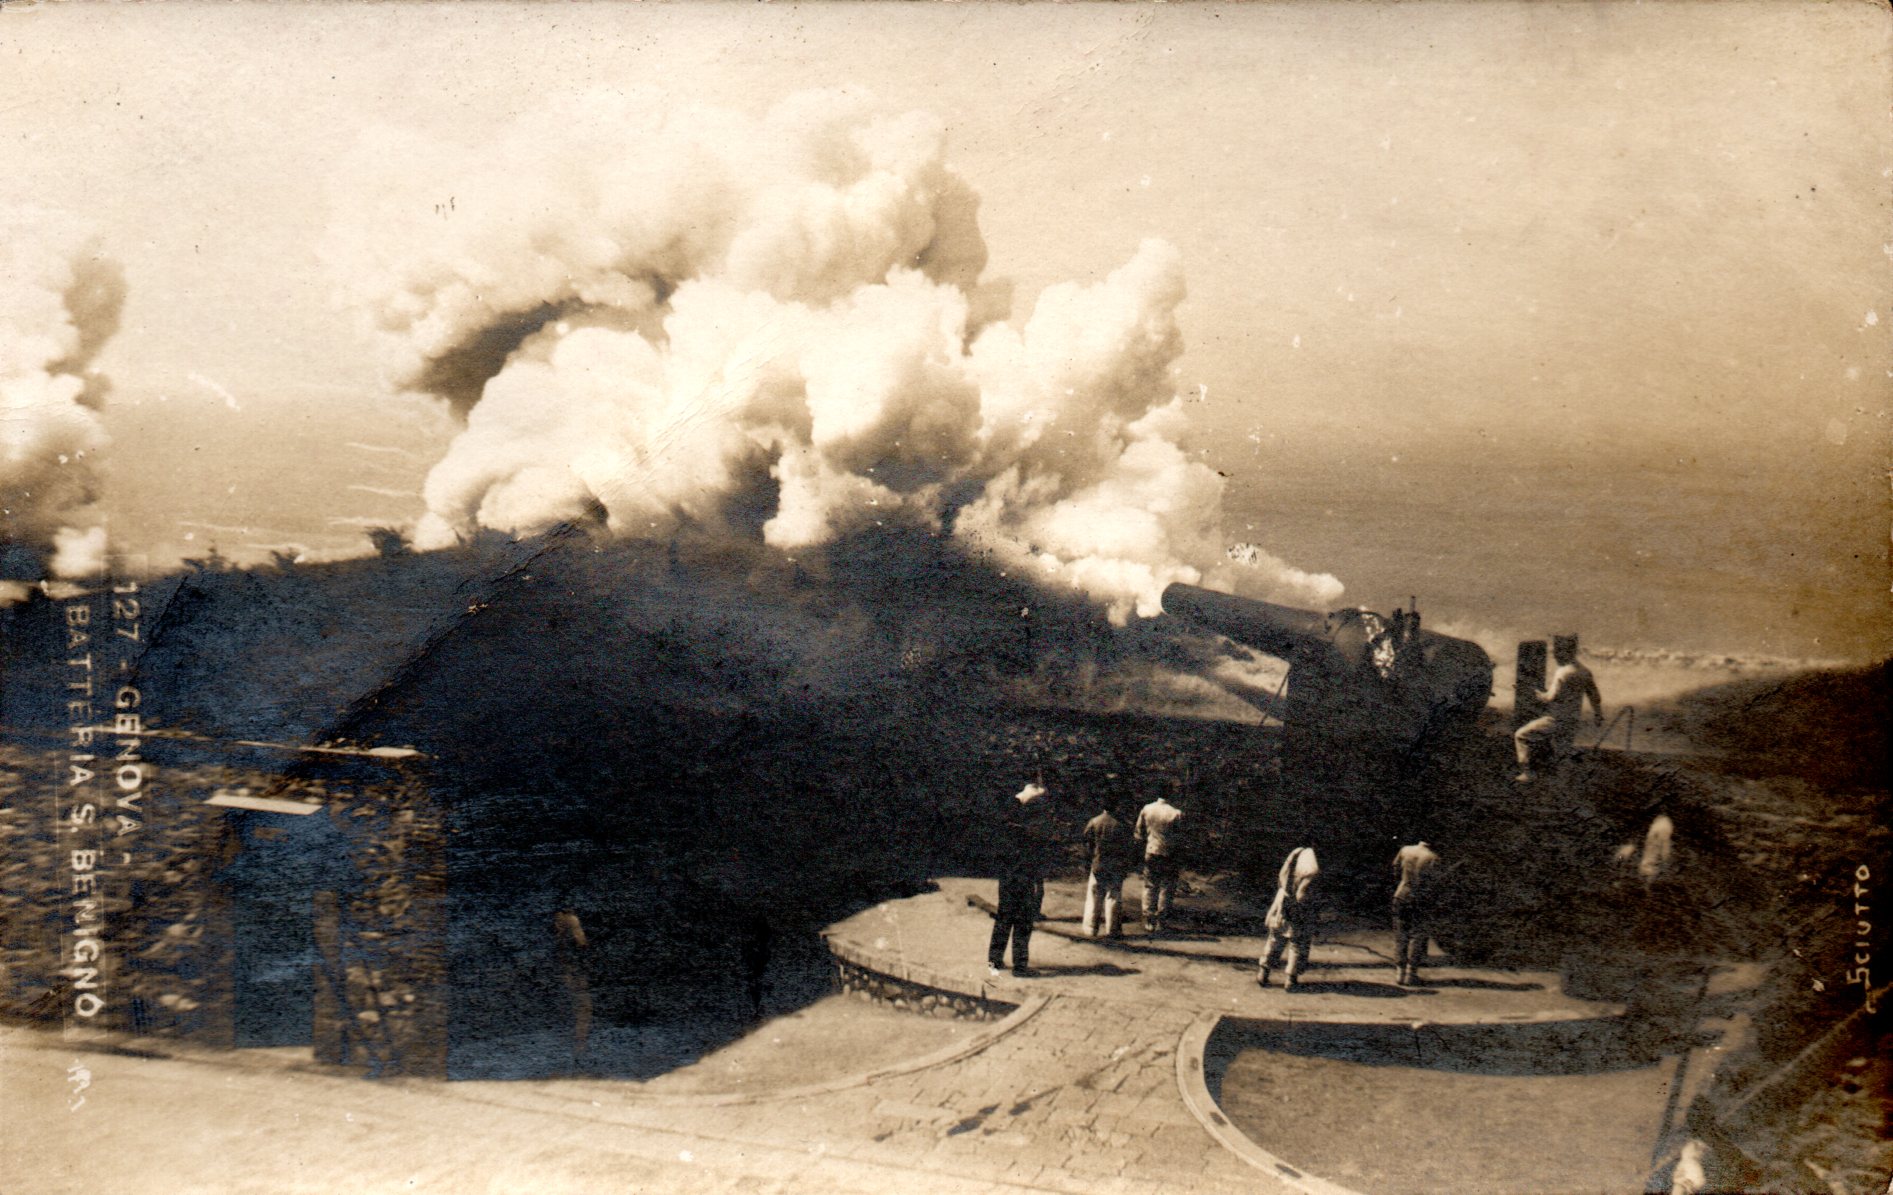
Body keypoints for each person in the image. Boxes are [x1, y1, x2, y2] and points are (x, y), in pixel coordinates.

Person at [1514, 634, 1604, 782]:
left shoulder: (1562, 672)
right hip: (1573, 719)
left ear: (1565, 651)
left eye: (1557, 651)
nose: (1554, 656)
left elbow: (1548, 698)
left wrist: (1530, 692)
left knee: (1522, 736)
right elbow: (1594, 695)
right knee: (1562, 751)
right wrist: (1598, 714)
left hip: (1555, 719)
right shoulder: (1585, 671)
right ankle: (1566, 781)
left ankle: (1528, 773)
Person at [988, 781, 1053, 977]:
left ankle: (994, 960)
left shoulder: (1006, 824)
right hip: (1023, 877)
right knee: (1023, 921)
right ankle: (1019, 966)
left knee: (1004, 918)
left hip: (1007, 878)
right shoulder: (1027, 830)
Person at [1259, 845, 1320, 990]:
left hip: (1283, 901)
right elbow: (1303, 892)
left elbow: (1283, 878)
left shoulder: (1295, 854)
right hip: (1299, 907)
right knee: (1297, 944)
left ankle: (1264, 971)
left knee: (1275, 939)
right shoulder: (1312, 864)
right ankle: (1290, 979)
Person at [1133, 788, 1186, 934]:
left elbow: (1138, 832)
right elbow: (1180, 837)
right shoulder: (1176, 813)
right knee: (1167, 887)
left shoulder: (1147, 809)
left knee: (1150, 885)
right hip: (1169, 853)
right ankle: (1162, 921)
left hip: (1151, 851)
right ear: (1171, 794)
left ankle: (1149, 920)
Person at [1081, 800, 1136, 939]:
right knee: (1114, 896)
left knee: (1094, 896)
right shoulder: (1122, 825)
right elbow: (1128, 847)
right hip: (1116, 865)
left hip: (1098, 863)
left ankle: (1091, 928)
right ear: (1116, 806)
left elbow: (1086, 842)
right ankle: (1113, 930)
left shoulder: (1094, 821)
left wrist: (1089, 859)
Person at [1391, 840, 1441, 986]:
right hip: (1420, 897)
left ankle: (1399, 973)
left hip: (1401, 894)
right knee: (1417, 935)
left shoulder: (1405, 850)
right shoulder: (1433, 857)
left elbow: (1395, 870)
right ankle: (1411, 973)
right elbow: (1434, 882)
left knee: (1400, 934)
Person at [552, 902, 591, 1072]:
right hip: (572, 977)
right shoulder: (569, 930)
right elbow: (581, 943)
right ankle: (576, 1057)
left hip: (572, 976)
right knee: (580, 1013)